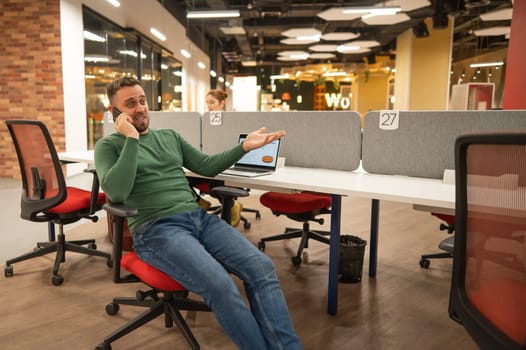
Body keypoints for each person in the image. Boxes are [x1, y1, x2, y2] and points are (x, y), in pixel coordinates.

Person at [95, 77, 302, 350]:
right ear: (115, 113)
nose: (140, 108)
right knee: (220, 286)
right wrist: (131, 139)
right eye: (130, 104)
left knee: (261, 268)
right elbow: (117, 192)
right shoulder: (109, 147)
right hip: (156, 230)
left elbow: (206, 165)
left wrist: (243, 148)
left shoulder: (168, 137)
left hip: (198, 219)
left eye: (142, 101)